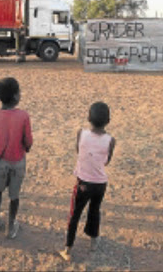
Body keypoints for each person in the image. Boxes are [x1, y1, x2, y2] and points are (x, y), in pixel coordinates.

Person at [59, 102, 116, 262]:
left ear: (88, 118)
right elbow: (106, 161)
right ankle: (93, 242)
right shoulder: (111, 140)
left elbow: (79, 151)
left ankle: (68, 249)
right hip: (100, 184)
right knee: (94, 211)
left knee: (74, 214)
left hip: (83, 183)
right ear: (108, 120)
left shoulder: (81, 134)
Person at [0, 77, 33, 239]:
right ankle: (11, 226)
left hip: (0, 160)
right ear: (15, 96)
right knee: (14, 196)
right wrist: (25, 148)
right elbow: (28, 140)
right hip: (18, 160)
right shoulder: (23, 116)